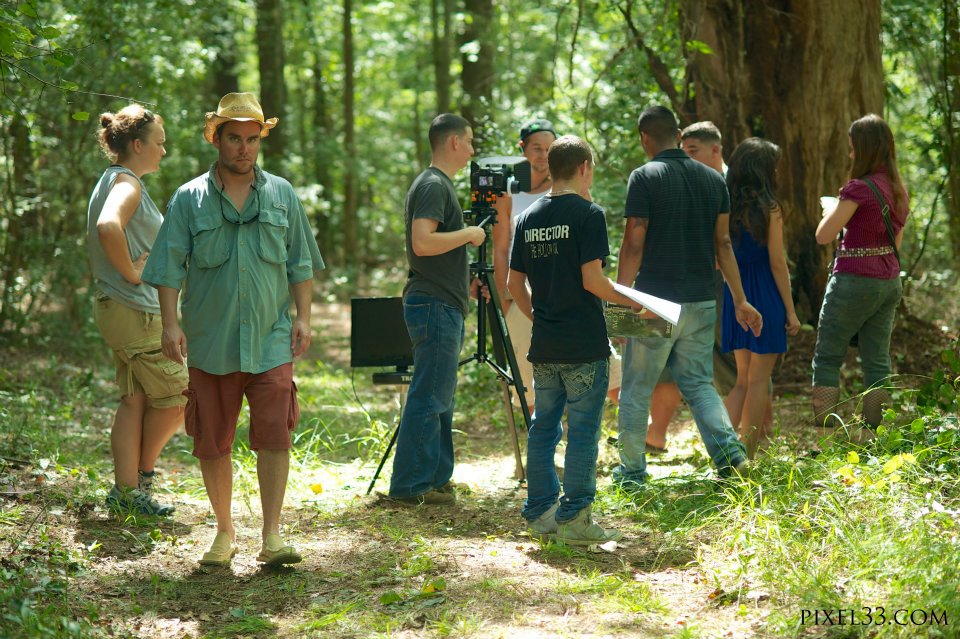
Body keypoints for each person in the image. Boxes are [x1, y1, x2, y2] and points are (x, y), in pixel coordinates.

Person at [142, 92, 324, 567]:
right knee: (212, 440)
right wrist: (169, 325)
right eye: (234, 138)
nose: (244, 148)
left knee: (275, 436)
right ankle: (223, 532)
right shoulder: (188, 198)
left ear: (260, 140)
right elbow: (167, 268)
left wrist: (303, 317)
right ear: (216, 139)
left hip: (270, 340)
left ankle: (273, 535)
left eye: (252, 139)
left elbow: (300, 262)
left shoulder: (282, 193)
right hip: (210, 342)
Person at [614, 106, 762, 486]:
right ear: (678, 134)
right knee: (697, 383)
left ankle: (631, 473)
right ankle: (731, 456)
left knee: (635, 387)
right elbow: (724, 244)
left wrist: (621, 296)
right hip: (701, 300)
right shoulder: (714, 181)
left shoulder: (644, 176)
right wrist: (741, 299)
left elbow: (633, 242)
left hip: (654, 303)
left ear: (645, 139)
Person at [508, 135, 639, 544]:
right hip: (584, 344)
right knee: (583, 431)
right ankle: (575, 518)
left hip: (545, 345)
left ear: (551, 167)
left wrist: (541, 318)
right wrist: (632, 304)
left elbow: (514, 284)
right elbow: (593, 280)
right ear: (584, 167)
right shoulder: (589, 214)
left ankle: (540, 512)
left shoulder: (526, 219)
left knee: (543, 426)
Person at [87, 104, 189, 517]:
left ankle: (126, 491)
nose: (164, 151)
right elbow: (108, 226)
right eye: (159, 143)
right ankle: (142, 479)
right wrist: (132, 272)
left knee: (135, 400)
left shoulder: (111, 180)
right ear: (137, 144)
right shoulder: (126, 184)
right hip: (133, 309)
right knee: (180, 393)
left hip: (117, 308)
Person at [387, 113, 486, 506]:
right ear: (454, 142)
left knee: (440, 393)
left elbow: (432, 252)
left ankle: (435, 478)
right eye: (471, 141)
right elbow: (424, 243)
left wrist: (467, 284)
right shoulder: (432, 184)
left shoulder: (437, 185)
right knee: (429, 394)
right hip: (433, 304)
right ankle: (409, 486)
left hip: (443, 300)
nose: (473, 149)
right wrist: (470, 234)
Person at [492, 119, 622, 414]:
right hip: (525, 291)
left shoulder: (571, 187)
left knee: (610, 369)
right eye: (536, 148)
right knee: (533, 386)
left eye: (548, 148)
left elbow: (590, 240)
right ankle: (540, 454)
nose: (541, 155)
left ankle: (635, 435)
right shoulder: (510, 194)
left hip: (576, 293)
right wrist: (505, 298)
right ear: (522, 150)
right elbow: (501, 249)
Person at [813, 113, 909, 435]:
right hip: (889, 282)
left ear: (865, 149)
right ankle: (872, 434)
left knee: (827, 357)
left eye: (853, 149)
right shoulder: (899, 191)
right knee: (877, 361)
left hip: (853, 280)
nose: (851, 155)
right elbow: (896, 244)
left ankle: (827, 435)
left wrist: (832, 211)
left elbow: (823, 236)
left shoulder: (858, 189)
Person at [645, 121, 735, 452]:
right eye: (684, 150)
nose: (687, 156)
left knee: (726, 363)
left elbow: (727, 241)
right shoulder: (680, 178)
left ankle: (739, 437)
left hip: (722, 284)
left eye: (693, 150)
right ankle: (655, 434)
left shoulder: (731, 183)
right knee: (672, 367)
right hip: (678, 286)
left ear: (716, 149)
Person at [720, 138, 801, 459]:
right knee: (759, 380)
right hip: (765, 293)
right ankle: (747, 457)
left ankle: (724, 453)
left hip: (736, 292)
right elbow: (778, 263)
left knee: (741, 380)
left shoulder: (725, 205)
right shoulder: (770, 209)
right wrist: (791, 313)